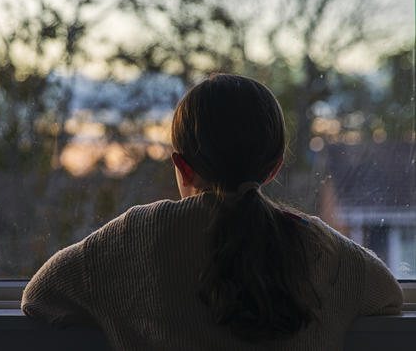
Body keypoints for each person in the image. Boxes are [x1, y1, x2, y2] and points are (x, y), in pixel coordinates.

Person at [21, 74, 403, 350]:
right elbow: (388, 296)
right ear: (273, 168)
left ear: (182, 167)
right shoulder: (319, 245)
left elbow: (39, 296)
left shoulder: (137, 236)